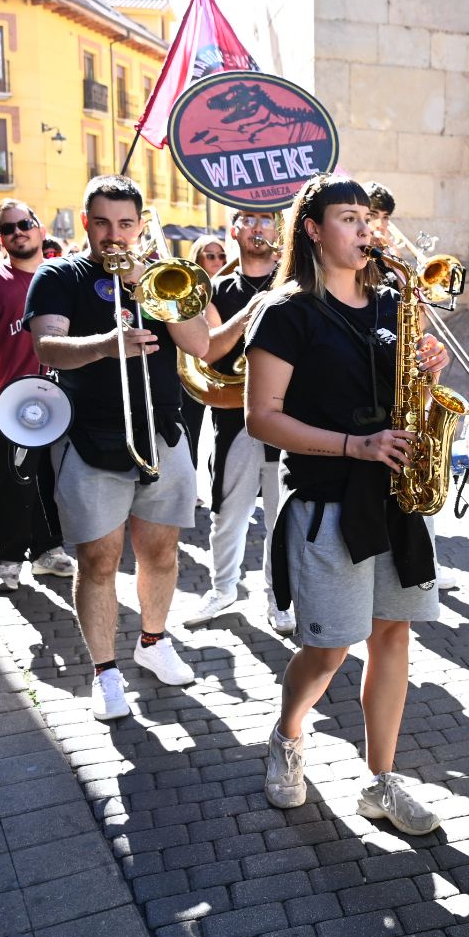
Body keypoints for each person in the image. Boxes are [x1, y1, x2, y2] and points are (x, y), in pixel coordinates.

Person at [244, 174, 451, 830]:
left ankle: (381, 782)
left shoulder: (393, 302)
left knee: (393, 635)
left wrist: (427, 373)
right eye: (348, 219)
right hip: (330, 495)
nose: (365, 231)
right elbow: (261, 418)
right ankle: (286, 734)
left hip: (393, 497)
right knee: (331, 647)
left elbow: (401, 393)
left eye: (369, 219)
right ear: (312, 228)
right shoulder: (286, 312)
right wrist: (351, 446)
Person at [25, 175, 210, 721]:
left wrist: (150, 285)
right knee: (99, 560)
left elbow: (198, 342)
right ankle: (106, 674)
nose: (114, 236)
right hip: (89, 438)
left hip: (162, 433)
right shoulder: (61, 274)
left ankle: (153, 643)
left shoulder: (158, 277)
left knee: (162, 553)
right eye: (102, 223)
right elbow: (48, 346)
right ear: (86, 222)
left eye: (125, 224)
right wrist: (107, 346)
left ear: (140, 225)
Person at [0, 199, 75, 595]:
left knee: (53, 480)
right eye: (8, 228)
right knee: (13, 481)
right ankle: (8, 561)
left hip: (65, 400)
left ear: (40, 229)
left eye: (25, 223)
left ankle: (48, 551)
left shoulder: (62, 278)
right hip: (12, 405)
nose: (18, 231)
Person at [181, 211, 290, 633]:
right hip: (233, 417)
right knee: (229, 512)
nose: (259, 228)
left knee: (283, 516)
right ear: (235, 231)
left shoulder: (294, 283)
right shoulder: (217, 289)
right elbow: (208, 349)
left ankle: (280, 598)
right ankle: (223, 588)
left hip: (288, 416)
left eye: (267, 221)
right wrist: (250, 313)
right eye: (249, 221)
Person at [361, 180, 461, 593]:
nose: (379, 226)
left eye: (383, 217)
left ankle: (425, 560)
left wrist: (430, 359)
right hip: (366, 430)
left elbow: (410, 349)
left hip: (402, 407)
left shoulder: (396, 276)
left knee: (420, 478)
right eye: (368, 217)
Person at [180, 233, 231, 472]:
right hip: (188, 371)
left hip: (215, 371)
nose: (218, 261)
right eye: (210, 255)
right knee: (188, 428)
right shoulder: (188, 288)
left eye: (222, 255)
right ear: (198, 258)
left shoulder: (225, 288)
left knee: (213, 430)